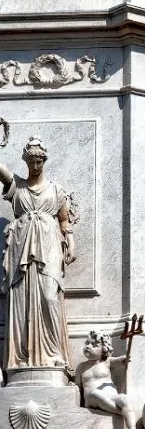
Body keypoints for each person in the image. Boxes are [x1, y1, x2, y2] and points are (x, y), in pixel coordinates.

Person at [0, 137, 75, 370]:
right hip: (21, 244)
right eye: (31, 161)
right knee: (21, 300)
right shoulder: (18, 186)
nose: (35, 166)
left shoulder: (56, 189)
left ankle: (54, 353)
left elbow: (64, 220)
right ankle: (23, 356)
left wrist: (70, 243)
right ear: (25, 161)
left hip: (49, 242)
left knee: (50, 296)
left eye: (39, 161)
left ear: (44, 161)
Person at [75, 330, 141, 429]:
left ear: (104, 349)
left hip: (110, 393)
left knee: (124, 399)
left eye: (94, 345)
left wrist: (125, 359)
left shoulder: (107, 362)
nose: (88, 347)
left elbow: (121, 360)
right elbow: (77, 385)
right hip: (92, 397)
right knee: (96, 394)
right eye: (87, 343)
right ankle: (122, 413)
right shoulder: (81, 367)